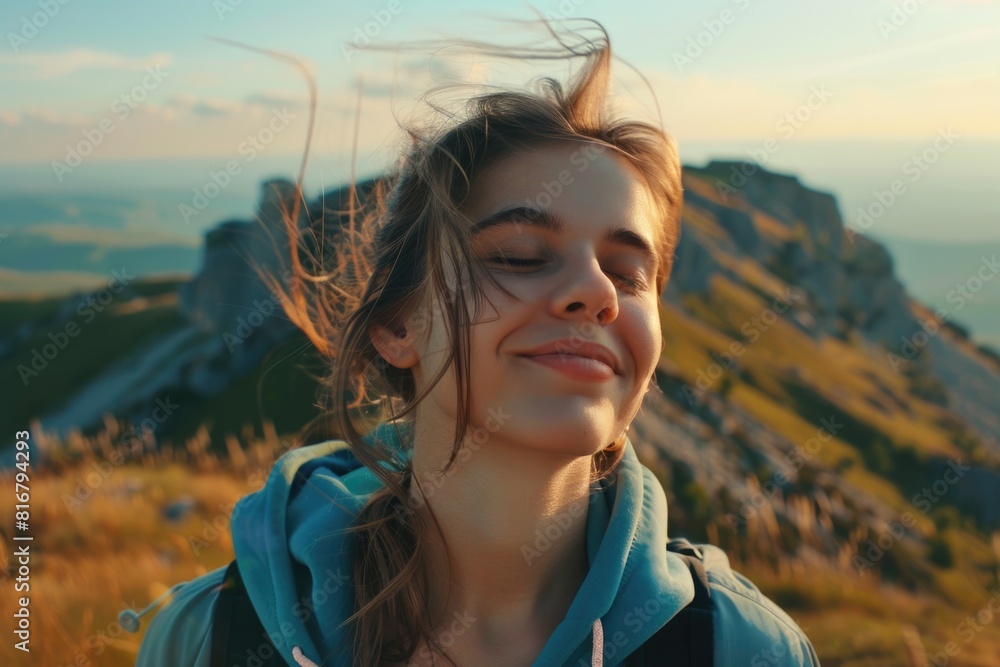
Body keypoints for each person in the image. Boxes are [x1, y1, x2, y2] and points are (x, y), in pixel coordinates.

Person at [133, 19, 820, 667]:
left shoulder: (738, 647)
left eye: (627, 271)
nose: (596, 290)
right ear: (399, 326)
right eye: (520, 254)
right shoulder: (210, 636)